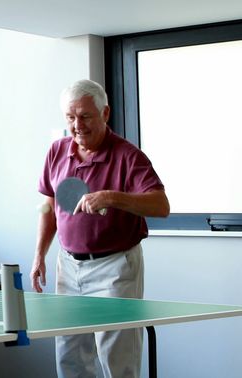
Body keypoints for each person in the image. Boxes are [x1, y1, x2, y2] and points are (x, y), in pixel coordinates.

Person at [30, 79, 170, 378]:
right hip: (68, 265)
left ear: (105, 113)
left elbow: (161, 206)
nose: (77, 125)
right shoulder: (56, 151)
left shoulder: (128, 156)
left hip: (115, 267)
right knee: (69, 355)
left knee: (117, 359)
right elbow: (48, 207)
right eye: (70, 117)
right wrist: (39, 255)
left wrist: (111, 197)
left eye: (85, 116)